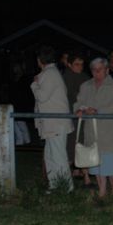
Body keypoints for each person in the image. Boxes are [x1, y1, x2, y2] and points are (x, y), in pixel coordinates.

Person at [75, 57, 113, 197]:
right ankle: (102, 190)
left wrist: (97, 111)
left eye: (100, 69)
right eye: (94, 70)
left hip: (111, 130)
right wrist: (80, 110)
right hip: (92, 130)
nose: (97, 72)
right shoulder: (85, 86)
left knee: (112, 161)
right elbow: (78, 102)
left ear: (107, 70)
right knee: (95, 161)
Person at [31, 45, 74, 193]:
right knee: (50, 155)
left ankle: (66, 188)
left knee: (58, 156)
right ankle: (55, 185)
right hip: (52, 123)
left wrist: (34, 84)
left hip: (56, 123)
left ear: (39, 60)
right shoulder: (50, 72)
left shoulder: (50, 73)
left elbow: (42, 97)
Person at [62, 51, 89, 184]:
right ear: (69, 64)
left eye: (82, 64)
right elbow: (70, 97)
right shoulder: (66, 77)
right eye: (77, 64)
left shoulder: (84, 77)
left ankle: (78, 171)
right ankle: (69, 176)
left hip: (83, 116)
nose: (80, 67)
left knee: (82, 142)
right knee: (71, 144)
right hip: (72, 116)